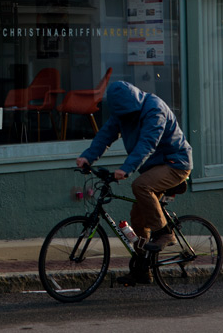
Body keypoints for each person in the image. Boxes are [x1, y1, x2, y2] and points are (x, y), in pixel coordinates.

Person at [75, 80, 191, 284]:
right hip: (153, 167)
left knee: (140, 185)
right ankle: (142, 269)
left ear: (133, 102)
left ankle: (165, 233)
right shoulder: (123, 112)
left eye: (128, 113)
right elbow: (106, 134)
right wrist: (88, 157)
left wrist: (126, 169)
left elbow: (147, 143)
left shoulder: (154, 109)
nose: (125, 118)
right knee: (137, 218)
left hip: (175, 163)